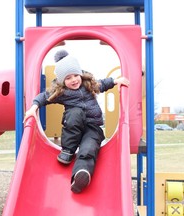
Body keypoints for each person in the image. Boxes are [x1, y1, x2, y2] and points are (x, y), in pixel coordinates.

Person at [24, 50, 130, 193]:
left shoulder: (89, 85)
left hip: (93, 127)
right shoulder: (61, 92)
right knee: (75, 113)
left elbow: (103, 84)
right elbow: (43, 97)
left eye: (75, 75)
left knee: (89, 148)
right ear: (62, 81)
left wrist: (116, 80)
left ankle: (81, 174)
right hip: (74, 127)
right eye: (68, 78)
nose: (74, 80)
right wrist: (33, 109)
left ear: (80, 74)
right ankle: (68, 150)